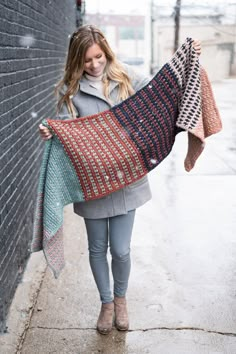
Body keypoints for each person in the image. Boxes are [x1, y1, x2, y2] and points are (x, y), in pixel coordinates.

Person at [39, 25, 201, 335]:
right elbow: (64, 132)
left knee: (122, 250)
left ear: (107, 52)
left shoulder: (127, 77)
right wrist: (51, 131)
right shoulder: (69, 91)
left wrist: (188, 57)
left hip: (127, 179)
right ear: (77, 60)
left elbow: (161, 95)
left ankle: (121, 300)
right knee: (97, 249)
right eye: (87, 60)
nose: (95, 65)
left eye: (99, 57)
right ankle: (106, 304)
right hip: (93, 183)